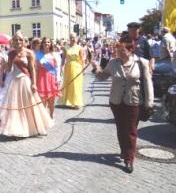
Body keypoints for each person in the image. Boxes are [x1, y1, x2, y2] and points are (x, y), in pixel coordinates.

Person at [92, 37, 154, 173]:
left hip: (134, 101)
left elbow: (148, 83)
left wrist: (149, 103)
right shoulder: (113, 63)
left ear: (131, 50)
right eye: (117, 49)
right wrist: (96, 69)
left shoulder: (141, 63)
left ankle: (129, 159)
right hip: (116, 101)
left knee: (131, 130)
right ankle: (124, 150)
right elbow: (102, 77)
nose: (118, 52)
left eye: (122, 50)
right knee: (121, 128)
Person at [0, 31, 53, 137]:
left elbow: (32, 69)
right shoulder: (11, 54)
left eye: (20, 39)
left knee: (31, 105)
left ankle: (36, 127)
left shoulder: (29, 53)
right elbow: (9, 69)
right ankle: (17, 129)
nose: (18, 41)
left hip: (25, 81)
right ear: (13, 41)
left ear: (23, 41)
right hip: (14, 81)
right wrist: (3, 63)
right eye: (16, 39)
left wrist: (34, 84)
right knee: (15, 107)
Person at [36, 37, 60, 119]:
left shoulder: (54, 54)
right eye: (45, 42)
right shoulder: (38, 55)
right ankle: (44, 118)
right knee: (42, 100)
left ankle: (52, 114)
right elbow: (36, 68)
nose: (47, 44)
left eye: (48, 42)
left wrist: (58, 79)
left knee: (51, 100)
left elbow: (57, 68)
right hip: (42, 79)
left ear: (50, 44)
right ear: (42, 44)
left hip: (51, 79)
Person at [61, 32, 85, 109]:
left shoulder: (79, 48)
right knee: (67, 83)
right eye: (71, 37)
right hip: (68, 67)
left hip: (77, 68)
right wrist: (62, 66)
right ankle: (67, 101)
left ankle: (76, 102)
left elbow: (82, 59)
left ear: (76, 38)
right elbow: (63, 58)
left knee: (75, 84)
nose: (72, 39)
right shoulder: (65, 47)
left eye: (73, 37)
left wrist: (83, 69)